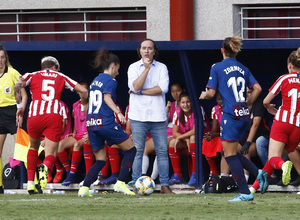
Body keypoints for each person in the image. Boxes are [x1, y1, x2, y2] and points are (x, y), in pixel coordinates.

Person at [199, 36, 267, 202]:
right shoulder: (243, 68)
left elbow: (211, 93)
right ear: (235, 51)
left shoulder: (217, 67)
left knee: (229, 155)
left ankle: (245, 192)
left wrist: (203, 95)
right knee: (233, 151)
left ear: (222, 50)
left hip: (230, 115)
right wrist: (248, 103)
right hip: (243, 114)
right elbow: (257, 88)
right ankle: (258, 172)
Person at [14, 56, 88, 194]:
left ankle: (30, 183)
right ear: (54, 67)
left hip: (34, 115)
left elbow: (17, 86)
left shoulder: (31, 75)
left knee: (33, 148)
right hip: (53, 116)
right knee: (52, 152)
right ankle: (45, 167)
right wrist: (84, 103)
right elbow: (83, 90)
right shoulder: (60, 76)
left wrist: (20, 107)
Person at [78, 48, 137, 197]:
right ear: (113, 66)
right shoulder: (111, 81)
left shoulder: (94, 82)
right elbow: (106, 97)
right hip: (106, 122)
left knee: (100, 160)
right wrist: (118, 112)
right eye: (118, 68)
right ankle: (121, 183)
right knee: (131, 150)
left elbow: (88, 105)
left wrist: (89, 127)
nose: (118, 72)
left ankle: (84, 188)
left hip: (92, 123)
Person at [250, 48, 300, 193]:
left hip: (282, 121)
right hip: (297, 126)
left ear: (289, 64)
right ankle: (252, 190)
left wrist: (269, 108)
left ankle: (284, 166)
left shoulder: (284, 78)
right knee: (274, 157)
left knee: (274, 157)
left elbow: (266, 101)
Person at [127, 39, 174, 194]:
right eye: (144, 48)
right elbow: (135, 86)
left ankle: (165, 185)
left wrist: (140, 92)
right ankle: (135, 183)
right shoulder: (133, 67)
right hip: (138, 115)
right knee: (138, 151)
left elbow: (163, 88)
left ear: (154, 51)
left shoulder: (162, 67)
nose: (147, 51)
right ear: (140, 51)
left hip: (158, 116)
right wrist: (146, 69)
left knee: (162, 151)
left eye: (150, 48)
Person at [0, 44, 28, 194]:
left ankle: (33, 182)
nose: (0, 60)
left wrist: (20, 111)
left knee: (23, 150)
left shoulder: (13, 73)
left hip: (12, 112)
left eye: (2, 57)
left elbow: (24, 95)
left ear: (6, 58)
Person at [168, 92, 196, 186]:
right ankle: (177, 175)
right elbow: (174, 132)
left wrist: (181, 137)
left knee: (193, 138)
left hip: (200, 142)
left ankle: (195, 174)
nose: (186, 104)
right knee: (172, 142)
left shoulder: (197, 110)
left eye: (188, 102)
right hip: (187, 143)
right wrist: (185, 139)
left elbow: (195, 131)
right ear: (179, 103)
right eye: (183, 102)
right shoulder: (177, 112)